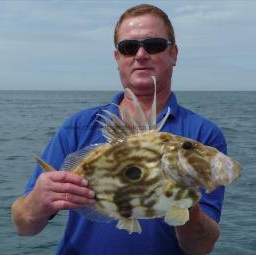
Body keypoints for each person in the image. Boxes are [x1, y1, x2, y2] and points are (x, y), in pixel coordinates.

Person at [12, 4, 226, 255]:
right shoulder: (79, 126)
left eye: (154, 45)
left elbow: (201, 247)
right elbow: (24, 226)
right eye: (128, 47)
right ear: (117, 58)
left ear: (174, 54)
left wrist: (186, 201)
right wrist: (37, 203)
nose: (141, 54)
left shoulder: (202, 136)